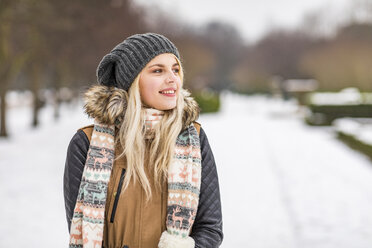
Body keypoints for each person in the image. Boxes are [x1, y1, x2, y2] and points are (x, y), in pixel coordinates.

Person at [63, 33, 223, 248]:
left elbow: (210, 228)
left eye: (175, 70)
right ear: (132, 81)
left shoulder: (193, 139)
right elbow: (81, 227)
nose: (172, 79)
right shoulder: (87, 143)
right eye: (158, 70)